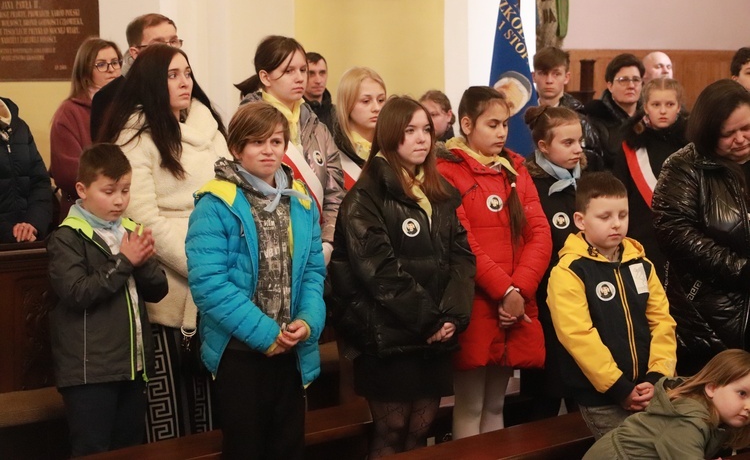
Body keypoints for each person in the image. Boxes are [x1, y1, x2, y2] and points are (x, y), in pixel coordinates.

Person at [329, 96, 475, 458]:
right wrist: (429, 321)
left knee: (420, 431)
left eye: (426, 130)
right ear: (391, 135)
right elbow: (378, 271)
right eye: (410, 131)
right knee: (391, 432)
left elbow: (461, 258)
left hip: (435, 336)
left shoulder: (438, 193)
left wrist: (453, 318)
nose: (422, 139)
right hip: (386, 337)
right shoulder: (365, 197)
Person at [98, 44, 228, 440]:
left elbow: (232, 194)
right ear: (153, 82)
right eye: (173, 74)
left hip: (219, 283)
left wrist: (225, 263)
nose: (184, 81)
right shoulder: (136, 135)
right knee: (173, 418)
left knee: (215, 415)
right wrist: (201, 265)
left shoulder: (209, 128)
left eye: (187, 72)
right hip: (172, 287)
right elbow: (142, 216)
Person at [186, 102, 326, 459]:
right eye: (257, 142)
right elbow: (209, 284)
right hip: (241, 354)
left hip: (290, 349)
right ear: (237, 148)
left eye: (277, 141)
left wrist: (308, 322)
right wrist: (265, 335)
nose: (269, 150)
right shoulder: (216, 202)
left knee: (289, 448)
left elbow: (312, 272)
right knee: (246, 450)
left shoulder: (300, 201)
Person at [437, 86, 552, 438]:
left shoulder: (515, 167)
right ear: (467, 124)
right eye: (492, 124)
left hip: (514, 303)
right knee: (469, 406)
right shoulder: (447, 170)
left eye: (505, 123)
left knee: (495, 405)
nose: (502, 132)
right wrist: (505, 290)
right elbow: (464, 242)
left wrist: (520, 289)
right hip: (477, 301)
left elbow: (540, 233)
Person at [47, 143, 168, 456]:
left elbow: (158, 291)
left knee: (128, 449)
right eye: (109, 190)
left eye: (126, 190)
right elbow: (78, 292)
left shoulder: (130, 229)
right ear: (82, 190)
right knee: (93, 450)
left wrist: (144, 262)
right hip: (90, 372)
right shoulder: (67, 237)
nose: (119, 200)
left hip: (132, 365)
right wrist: (126, 261)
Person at [547, 171, 677, 439]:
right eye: (604, 217)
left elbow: (662, 322)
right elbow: (578, 336)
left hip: (649, 389)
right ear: (580, 221)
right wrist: (619, 388)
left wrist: (657, 377)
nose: (616, 224)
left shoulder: (641, 264)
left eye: (622, 215)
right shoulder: (569, 271)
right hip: (603, 397)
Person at [652, 79, 750, 376]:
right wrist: (740, 270)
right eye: (728, 133)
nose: (741, 139)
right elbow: (673, 230)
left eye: (746, 128)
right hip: (708, 314)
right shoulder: (684, 166)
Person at [239, 35, 344, 264]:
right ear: (265, 77)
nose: (300, 78)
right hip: (265, 251)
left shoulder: (319, 128)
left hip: (316, 247)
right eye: (289, 71)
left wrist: (327, 242)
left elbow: (335, 193)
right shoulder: (248, 124)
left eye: (303, 70)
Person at [521, 105, 586, 420]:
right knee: (546, 397)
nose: (577, 150)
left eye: (579, 141)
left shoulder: (585, 183)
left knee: (584, 393)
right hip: (546, 306)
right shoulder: (529, 187)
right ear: (543, 147)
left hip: (584, 305)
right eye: (568, 143)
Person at [583, 349, 750, 459]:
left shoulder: (717, 418)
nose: (749, 406)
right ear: (712, 388)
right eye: (742, 393)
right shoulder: (687, 420)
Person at [612, 78, 687, 284]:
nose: (663, 111)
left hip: (685, 238)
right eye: (656, 105)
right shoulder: (631, 147)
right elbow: (620, 195)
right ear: (645, 107)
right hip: (642, 237)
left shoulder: (692, 145)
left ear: (679, 107)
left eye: (669, 104)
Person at [51, 37, 123, 217]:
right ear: (85, 72)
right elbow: (68, 174)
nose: (111, 69)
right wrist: (117, 183)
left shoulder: (127, 107)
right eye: (101, 64)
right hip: (84, 212)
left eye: (115, 62)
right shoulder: (69, 112)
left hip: (125, 204)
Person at [91, 13, 182, 142]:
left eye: (173, 41)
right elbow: (104, 155)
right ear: (135, 52)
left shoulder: (186, 85)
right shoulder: (109, 97)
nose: (170, 50)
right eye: (158, 45)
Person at [532, 46, 605, 170]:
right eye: (543, 73)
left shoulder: (579, 118)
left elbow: (593, 161)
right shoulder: (522, 115)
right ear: (534, 76)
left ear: (566, 77)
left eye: (556, 74)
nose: (549, 80)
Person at [0, 96, 53, 243]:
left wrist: (33, 224)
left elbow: (40, 183)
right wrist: (10, 233)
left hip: (29, 239)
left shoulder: (20, 128)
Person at [584, 54, 645, 168]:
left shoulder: (649, 118)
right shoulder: (594, 119)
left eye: (636, 80)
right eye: (624, 80)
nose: (631, 85)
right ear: (610, 85)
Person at [333, 66, 387, 189]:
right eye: (366, 101)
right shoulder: (332, 152)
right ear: (347, 104)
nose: (376, 108)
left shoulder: (393, 147)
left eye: (381, 100)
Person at [304, 52, 337, 132]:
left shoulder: (338, 115)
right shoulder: (294, 115)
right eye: (311, 74)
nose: (318, 80)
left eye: (322, 73)